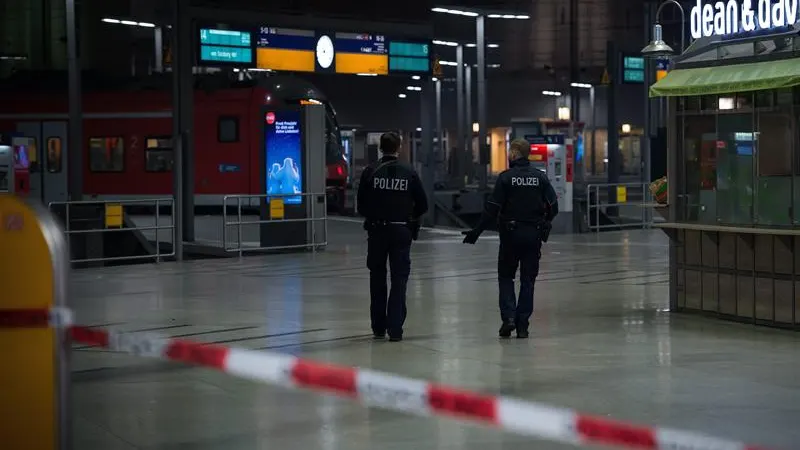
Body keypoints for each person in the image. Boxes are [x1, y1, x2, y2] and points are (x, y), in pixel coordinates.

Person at [461, 138, 558, 339]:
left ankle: (509, 318)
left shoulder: (505, 178)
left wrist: (476, 232)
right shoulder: (540, 178)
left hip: (510, 235)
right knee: (528, 280)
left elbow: (492, 209)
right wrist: (544, 221)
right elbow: (553, 206)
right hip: (533, 235)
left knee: (506, 277)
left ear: (515, 153)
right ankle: (522, 325)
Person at [357, 131, 429, 342]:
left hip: (377, 231)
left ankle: (378, 326)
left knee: (377, 277)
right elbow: (423, 204)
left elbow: (361, 204)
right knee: (399, 279)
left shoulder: (370, 171)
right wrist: (410, 216)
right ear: (399, 147)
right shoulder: (410, 172)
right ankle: (395, 328)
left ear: (380, 147)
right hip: (401, 230)